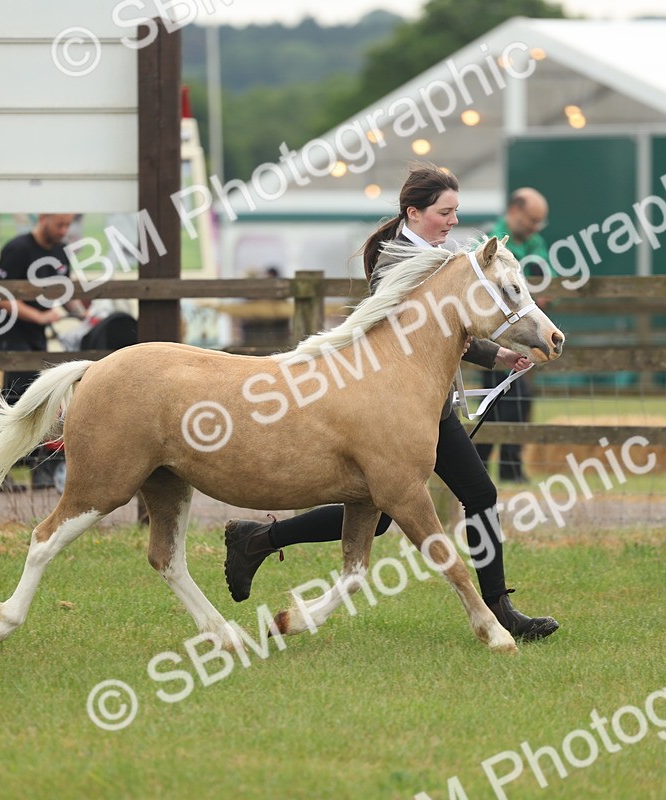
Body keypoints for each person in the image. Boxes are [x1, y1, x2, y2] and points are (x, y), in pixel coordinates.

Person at [223, 165, 559, 641]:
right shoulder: (394, 261)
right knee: (385, 512)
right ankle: (260, 537)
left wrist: (501, 353)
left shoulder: (443, 257)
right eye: (444, 212)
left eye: (456, 212)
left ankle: (500, 606)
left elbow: (459, 323)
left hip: (427, 407)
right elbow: (421, 328)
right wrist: (490, 351)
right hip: (389, 409)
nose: (451, 221)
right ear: (414, 212)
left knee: (476, 495)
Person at [0, 213, 83, 491]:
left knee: (34, 397)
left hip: (33, 333)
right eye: (59, 225)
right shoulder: (17, 249)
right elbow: (1, 297)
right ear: (43, 218)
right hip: (7, 331)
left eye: (68, 225)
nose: (64, 230)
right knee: (20, 397)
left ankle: (33, 468)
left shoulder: (60, 252)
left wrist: (82, 315)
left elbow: (64, 294)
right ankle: (0, 471)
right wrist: (40, 318)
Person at [475, 188, 551, 482]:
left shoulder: (536, 243)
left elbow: (548, 279)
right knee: (504, 398)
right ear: (515, 211)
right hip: (496, 335)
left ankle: (495, 467)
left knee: (507, 401)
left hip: (526, 332)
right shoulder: (489, 241)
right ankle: (505, 468)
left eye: (539, 222)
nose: (535, 227)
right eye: (532, 220)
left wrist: (541, 297)